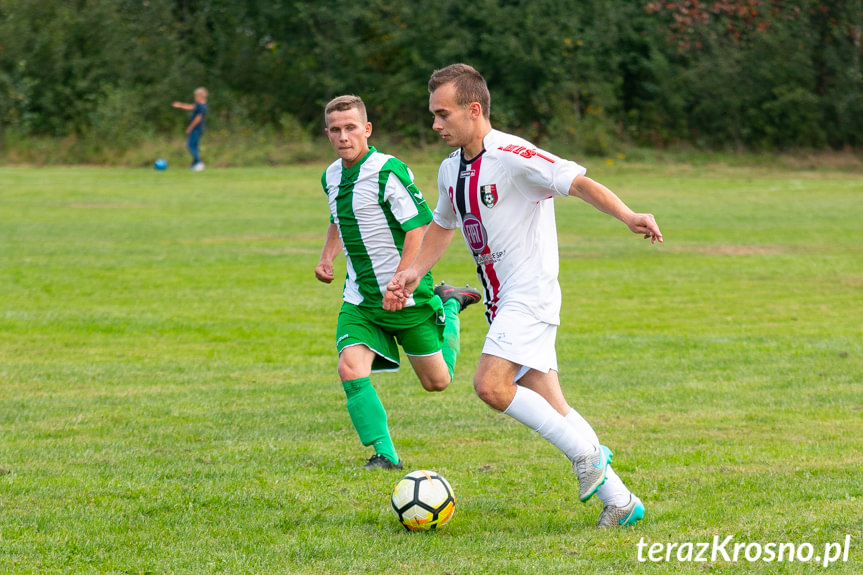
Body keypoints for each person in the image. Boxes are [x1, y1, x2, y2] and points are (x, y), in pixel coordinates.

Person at [388, 64, 662, 527]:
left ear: (474, 110)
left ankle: (588, 458)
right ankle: (621, 502)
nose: (435, 124)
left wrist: (628, 214)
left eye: (443, 114)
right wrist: (414, 271)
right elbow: (442, 225)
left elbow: (576, 181)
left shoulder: (512, 154)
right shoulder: (450, 168)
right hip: (500, 303)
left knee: (490, 385)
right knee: (553, 404)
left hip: (530, 295)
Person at [315, 94, 481, 470]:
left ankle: (449, 304)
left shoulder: (388, 171)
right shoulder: (330, 176)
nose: (343, 136)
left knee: (436, 382)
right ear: (328, 133)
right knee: (350, 368)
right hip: (360, 299)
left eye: (351, 128)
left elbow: (418, 228)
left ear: (367, 130)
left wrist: (402, 282)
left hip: (405, 298)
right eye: (336, 130)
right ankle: (384, 455)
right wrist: (327, 257)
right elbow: (338, 219)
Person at [171, 87, 208, 171]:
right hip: (197, 129)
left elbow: (198, 118)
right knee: (194, 146)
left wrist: (190, 128)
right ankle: (194, 164)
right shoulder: (199, 105)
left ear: (200, 96)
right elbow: (190, 107)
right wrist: (180, 105)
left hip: (197, 129)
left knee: (190, 145)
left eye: (196, 96)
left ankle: (198, 163)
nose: (195, 98)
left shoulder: (202, 106)